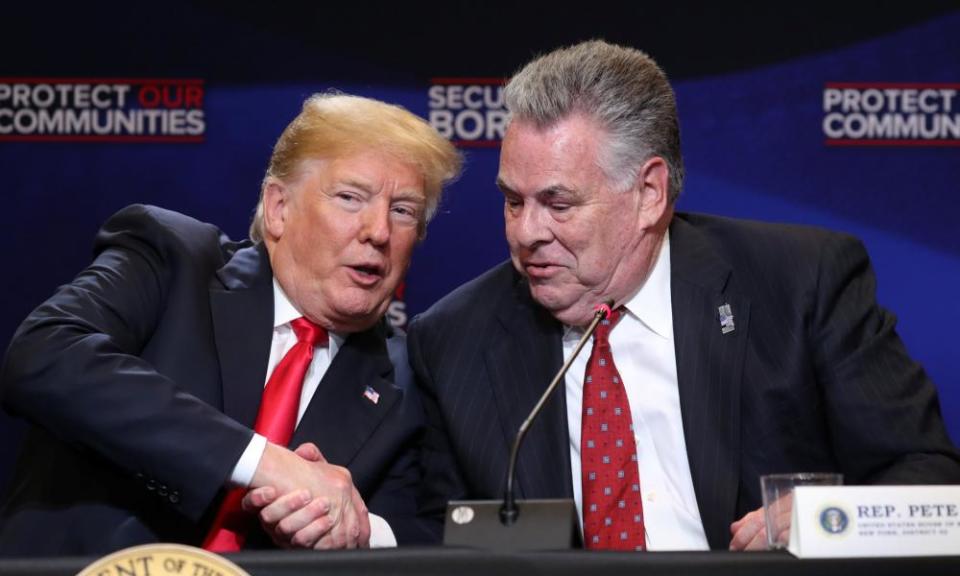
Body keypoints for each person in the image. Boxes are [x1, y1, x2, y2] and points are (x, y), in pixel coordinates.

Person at [406, 40, 960, 551]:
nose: (526, 233)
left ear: (648, 193)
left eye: (558, 204)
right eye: (512, 201)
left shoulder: (800, 285)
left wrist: (826, 519)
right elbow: (443, 539)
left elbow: (929, 479)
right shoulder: (456, 339)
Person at [0, 92, 461, 556]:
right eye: (349, 198)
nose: (379, 231)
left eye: (403, 210)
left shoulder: (406, 377)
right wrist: (259, 462)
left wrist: (354, 529)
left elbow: (425, 535)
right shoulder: (173, 260)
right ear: (279, 207)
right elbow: (42, 353)